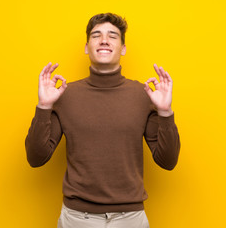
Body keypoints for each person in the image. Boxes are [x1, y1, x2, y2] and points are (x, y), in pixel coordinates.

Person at [25, 13, 181, 228]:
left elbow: (168, 161)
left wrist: (165, 112)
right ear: (87, 47)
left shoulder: (144, 94)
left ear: (123, 49)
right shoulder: (64, 94)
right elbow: (36, 158)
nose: (104, 40)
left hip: (131, 219)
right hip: (78, 218)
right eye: (96, 35)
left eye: (113, 36)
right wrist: (44, 106)